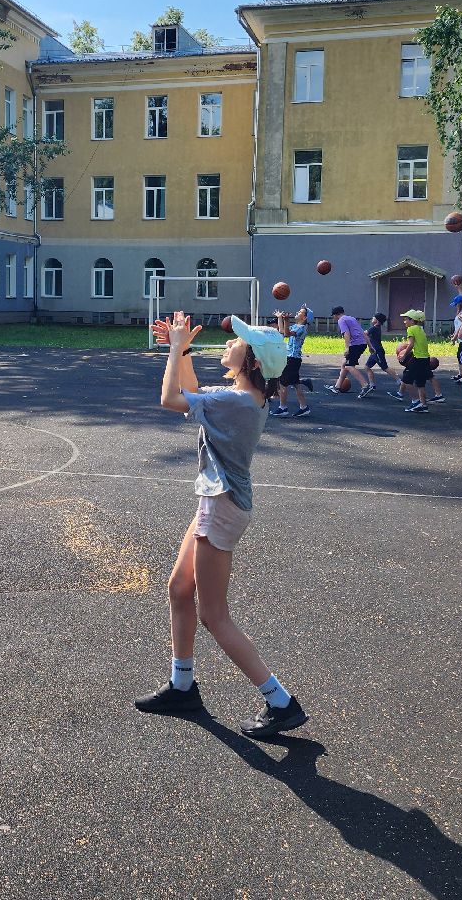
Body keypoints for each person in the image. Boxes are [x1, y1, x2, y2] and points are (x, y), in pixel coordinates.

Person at [135, 312, 310, 735]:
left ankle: (281, 702)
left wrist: (175, 350)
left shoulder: (234, 401)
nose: (229, 343)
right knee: (179, 589)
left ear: (250, 361)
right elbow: (191, 390)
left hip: (223, 506)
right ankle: (182, 687)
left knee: (214, 615)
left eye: (239, 341)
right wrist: (186, 351)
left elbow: (171, 400)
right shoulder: (241, 395)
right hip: (216, 501)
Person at [271, 305, 314, 418]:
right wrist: (280, 318)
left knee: (282, 383)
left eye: (300, 312)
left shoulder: (301, 328)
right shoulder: (296, 326)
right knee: (296, 384)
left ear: (304, 318)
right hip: (293, 358)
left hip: (292, 359)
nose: (297, 312)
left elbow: (286, 334)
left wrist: (286, 320)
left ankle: (283, 408)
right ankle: (304, 407)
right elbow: (281, 331)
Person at [397, 309, 435, 414]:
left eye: (406, 319)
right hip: (425, 358)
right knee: (420, 383)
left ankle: (416, 401)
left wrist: (404, 355)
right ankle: (423, 405)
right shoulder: (420, 328)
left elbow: (411, 344)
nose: (404, 321)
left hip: (418, 358)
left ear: (412, 320)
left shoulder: (411, 329)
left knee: (406, 380)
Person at [328, 306, 371, 396]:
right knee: (345, 363)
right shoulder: (351, 318)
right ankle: (337, 387)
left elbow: (346, 334)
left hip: (355, 344)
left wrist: (347, 348)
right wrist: (370, 346)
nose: (334, 318)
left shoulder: (341, 320)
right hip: (362, 343)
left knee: (349, 366)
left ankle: (365, 385)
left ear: (336, 315)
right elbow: (362, 332)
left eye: (333, 316)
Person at [363, 312, 391, 394]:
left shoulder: (374, 328)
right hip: (374, 352)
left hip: (377, 351)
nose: (372, 318)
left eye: (374, 317)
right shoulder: (376, 328)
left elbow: (365, 334)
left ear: (377, 320)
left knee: (385, 368)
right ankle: (372, 385)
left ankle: (399, 381)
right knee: (367, 367)